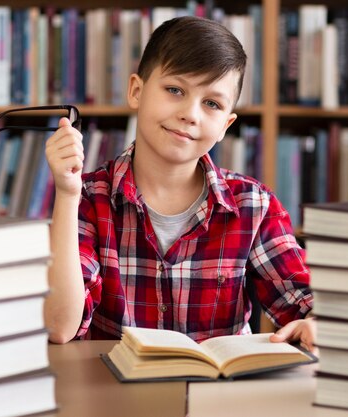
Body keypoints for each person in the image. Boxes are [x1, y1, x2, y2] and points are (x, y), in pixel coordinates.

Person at [44, 15, 315, 349]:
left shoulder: (254, 205)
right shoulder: (88, 198)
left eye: (212, 104)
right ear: (136, 91)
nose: (191, 114)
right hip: (113, 395)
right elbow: (60, 327)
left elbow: (306, 303)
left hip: (219, 395)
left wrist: (314, 322)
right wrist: (67, 195)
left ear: (226, 125)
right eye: (175, 90)